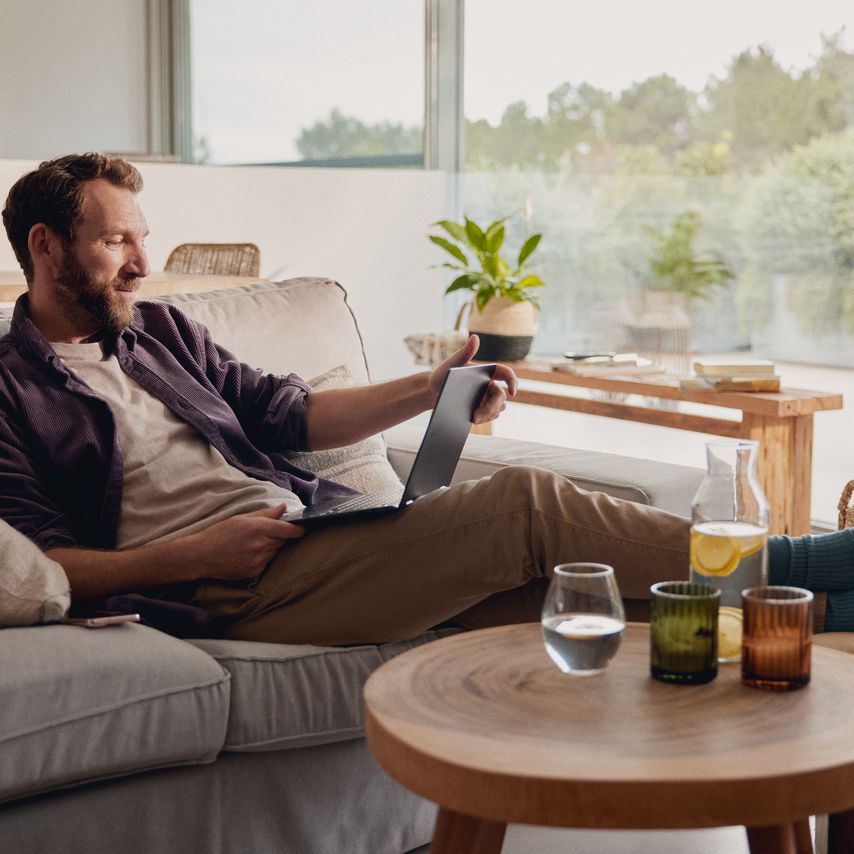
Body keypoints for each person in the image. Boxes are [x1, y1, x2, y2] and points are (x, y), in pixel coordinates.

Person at [1, 153, 852, 644]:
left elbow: (289, 415)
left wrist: (429, 390)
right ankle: (802, 566)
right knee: (522, 507)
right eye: (118, 242)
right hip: (221, 588)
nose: (144, 265)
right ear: (46, 247)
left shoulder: (160, 332)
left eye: (142, 239)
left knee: (566, 598)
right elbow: (48, 565)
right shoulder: (10, 391)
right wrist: (196, 556)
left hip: (305, 534)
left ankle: (821, 614)